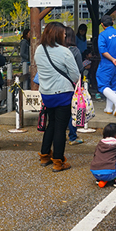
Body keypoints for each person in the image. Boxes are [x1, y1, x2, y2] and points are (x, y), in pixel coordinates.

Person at [34, 22, 81, 172]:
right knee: (61, 128)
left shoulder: (39, 50)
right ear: (57, 34)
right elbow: (75, 75)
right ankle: (58, 161)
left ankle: (44, 155)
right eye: (64, 34)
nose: (65, 36)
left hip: (46, 94)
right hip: (62, 94)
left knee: (52, 124)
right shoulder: (65, 51)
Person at [96, 15, 116, 116]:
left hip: (107, 63)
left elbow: (103, 50)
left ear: (102, 24)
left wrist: (112, 59)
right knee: (112, 86)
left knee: (102, 85)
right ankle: (109, 108)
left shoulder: (103, 35)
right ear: (112, 22)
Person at [90, 123, 116, 187]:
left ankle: (99, 179)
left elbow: (95, 155)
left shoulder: (100, 144)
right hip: (109, 175)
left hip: (95, 173)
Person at [64, 26, 84, 146]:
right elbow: (80, 68)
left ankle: (61, 135)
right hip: (72, 84)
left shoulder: (57, 49)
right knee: (73, 111)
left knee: (62, 110)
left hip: (58, 85)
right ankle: (72, 136)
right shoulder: (75, 50)